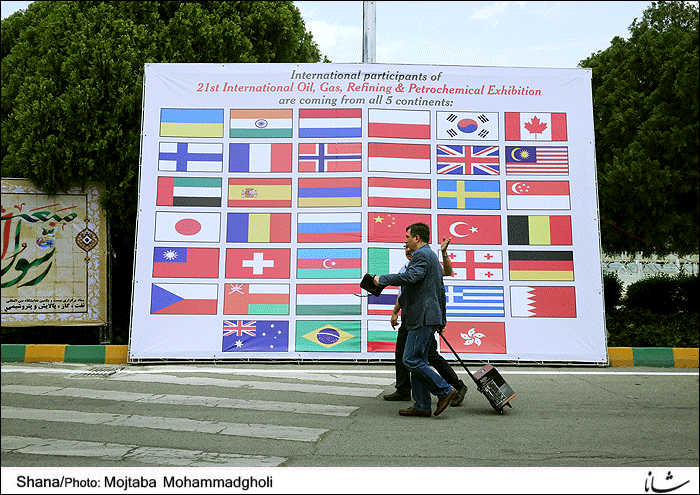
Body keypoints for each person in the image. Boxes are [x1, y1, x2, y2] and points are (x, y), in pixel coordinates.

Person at [374, 222, 457, 417]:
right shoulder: (430, 256)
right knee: (419, 361)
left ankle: (445, 390)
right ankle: (422, 405)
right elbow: (439, 290)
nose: (406, 241)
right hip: (427, 316)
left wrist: (381, 279)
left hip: (422, 317)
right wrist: (441, 319)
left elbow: (410, 277)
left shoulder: (421, 255)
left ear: (417, 238)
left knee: (410, 360)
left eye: (407, 237)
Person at [383, 237, 468, 406]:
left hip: (423, 318)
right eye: (405, 248)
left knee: (429, 355)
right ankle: (403, 389)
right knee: (401, 353)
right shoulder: (405, 268)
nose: (408, 250)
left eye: (410, 247)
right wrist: (395, 312)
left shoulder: (427, 266)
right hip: (409, 317)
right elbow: (402, 294)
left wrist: (444, 253)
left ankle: (457, 386)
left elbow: (447, 273)